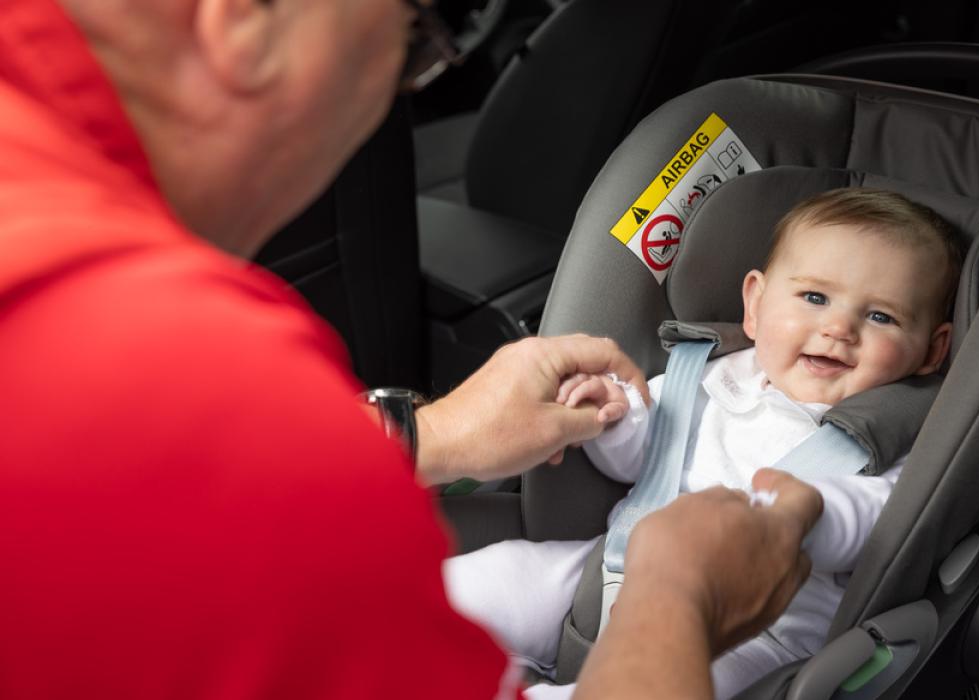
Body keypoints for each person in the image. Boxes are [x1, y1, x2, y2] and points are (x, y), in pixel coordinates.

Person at [0, 0, 825, 698]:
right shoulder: (209, 378)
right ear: (240, 22)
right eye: (411, 49)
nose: (394, 92)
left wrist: (426, 437)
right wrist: (675, 602)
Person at [445, 188, 963, 699]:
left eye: (881, 317)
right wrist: (611, 415)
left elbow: (872, 519)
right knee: (492, 577)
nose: (838, 328)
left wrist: (803, 518)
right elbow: (642, 458)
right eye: (814, 297)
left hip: (760, 631)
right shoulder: (710, 373)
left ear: (930, 350)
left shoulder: (897, 440)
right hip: (617, 565)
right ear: (755, 304)